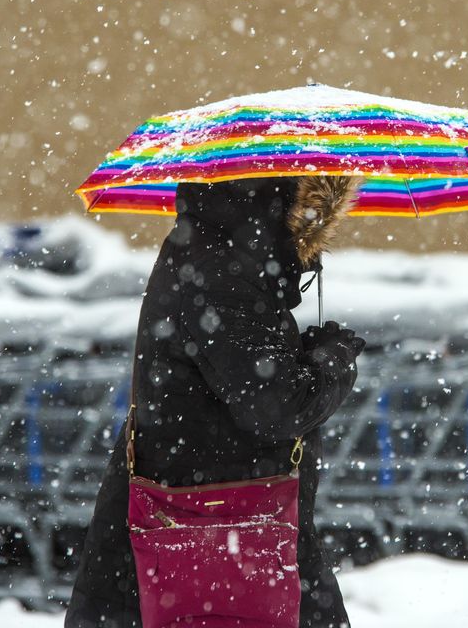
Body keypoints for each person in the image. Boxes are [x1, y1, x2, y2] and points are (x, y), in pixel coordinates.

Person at [66, 175, 366, 628]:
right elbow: (277, 406)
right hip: (221, 529)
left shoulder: (220, 251)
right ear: (288, 198)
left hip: (215, 523)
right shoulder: (223, 270)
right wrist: (333, 360)